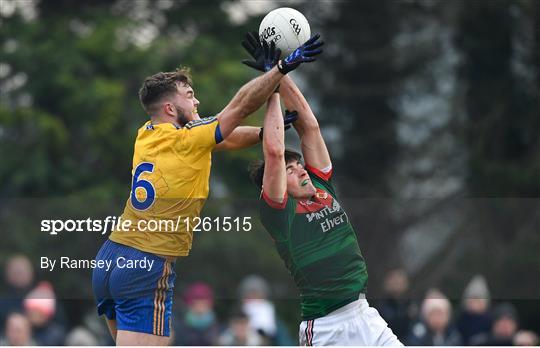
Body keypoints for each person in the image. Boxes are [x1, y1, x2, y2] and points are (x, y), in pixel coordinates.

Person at [91, 34, 323, 346]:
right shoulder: (189, 139)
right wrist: (281, 68)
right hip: (146, 265)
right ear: (171, 107)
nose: (197, 101)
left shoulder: (147, 135)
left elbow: (222, 137)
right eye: (190, 95)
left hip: (109, 258)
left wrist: (263, 131)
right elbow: (239, 106)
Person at [243, 31, 401, 346]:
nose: (299, 168)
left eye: (298, 164)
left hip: (365, 314)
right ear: (273, 185)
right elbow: (274, 152)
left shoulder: (319, 182)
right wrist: (272, 81)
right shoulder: (279, 211)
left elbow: (309, 126)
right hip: (327, 328)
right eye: (290, 169)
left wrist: (281, 71)